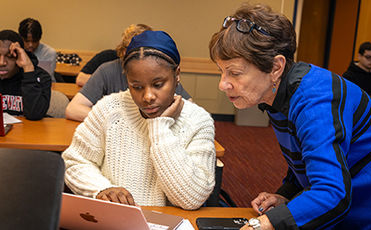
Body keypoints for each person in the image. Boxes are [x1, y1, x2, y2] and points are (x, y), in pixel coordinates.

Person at [209, 4, 371, 229]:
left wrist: (266, 224)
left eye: (234, 73)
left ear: (276, 67)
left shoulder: (315, 100)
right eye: (221, 71)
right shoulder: (278, 93)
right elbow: (309, 157)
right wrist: (287, 195)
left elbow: (332, 193)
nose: (222, 84)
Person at [62, 30, 216, 210]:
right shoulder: (109, 108)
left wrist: (159, 127)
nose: (148, 96)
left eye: (158, 85)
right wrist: (102, 189)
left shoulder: (198, 121)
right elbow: (75, 161)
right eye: (137, 87)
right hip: (114, 220)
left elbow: (191, 198)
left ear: (177, 75)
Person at [66, 24, 191, 122]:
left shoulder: (164, 74)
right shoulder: (107, 70)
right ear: (124, 51)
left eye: (157, 84)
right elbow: (73, 109)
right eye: (137, 87)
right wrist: (119, 122)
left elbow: (191, 110)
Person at [0, 30, 51, 120]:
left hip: (29, 132)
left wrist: (28, 69)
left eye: (10, 56)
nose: (2, 63)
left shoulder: (41, 77)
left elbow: (35, 115)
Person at [18, 18, 57, 82]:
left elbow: (44, 78)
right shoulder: (16, 51)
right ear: (20, 38)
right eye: (26, 41)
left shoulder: (49, 53)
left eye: (34, 41)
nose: (30, 45)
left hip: (45, 85)